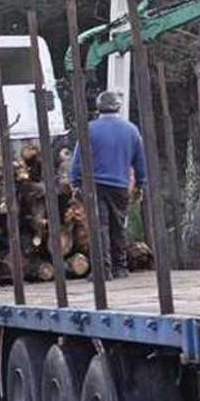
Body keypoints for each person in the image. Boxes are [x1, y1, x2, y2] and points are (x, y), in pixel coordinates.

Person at [70, 91, 146, 279]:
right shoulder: (131, 130)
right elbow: (140, 161)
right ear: (118, 107)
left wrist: (75, 181)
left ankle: (103, 270)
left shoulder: (89, 129)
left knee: (99, 226)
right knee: (118, 225)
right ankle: (120, 268)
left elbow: (78, 159)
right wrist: (141, 184)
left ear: (98, 108)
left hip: (95, 185)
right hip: (120, 185)